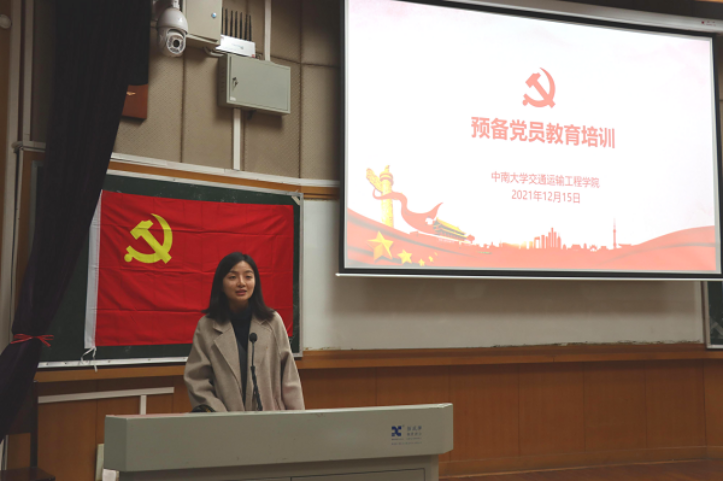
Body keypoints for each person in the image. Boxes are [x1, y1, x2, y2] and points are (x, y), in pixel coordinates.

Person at [184, 252, 304, 412]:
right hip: (226, 419)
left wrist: (297, 419)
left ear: (255, 282)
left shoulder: (272, 321)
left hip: (270, 418)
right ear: (221, 284)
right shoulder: (207, 326)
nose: (241, 283)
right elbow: (197, 380)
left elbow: (289, 377)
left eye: (248, 277)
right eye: (232, 277)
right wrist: (219, 414)